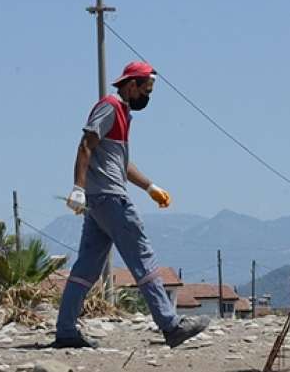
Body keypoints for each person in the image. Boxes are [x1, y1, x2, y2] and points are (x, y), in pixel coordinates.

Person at [55, 61, 208, 349]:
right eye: (145, 90)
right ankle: (170, 325)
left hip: (99, 200)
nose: (146, 97)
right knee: (143, 258)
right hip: (111, 198)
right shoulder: (110, 107)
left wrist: (150, 186)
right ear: (131, 84)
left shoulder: (123, 113)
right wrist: (77, 187)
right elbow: (86, 144)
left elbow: (120, 163)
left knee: (86, 268)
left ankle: (65, 331)